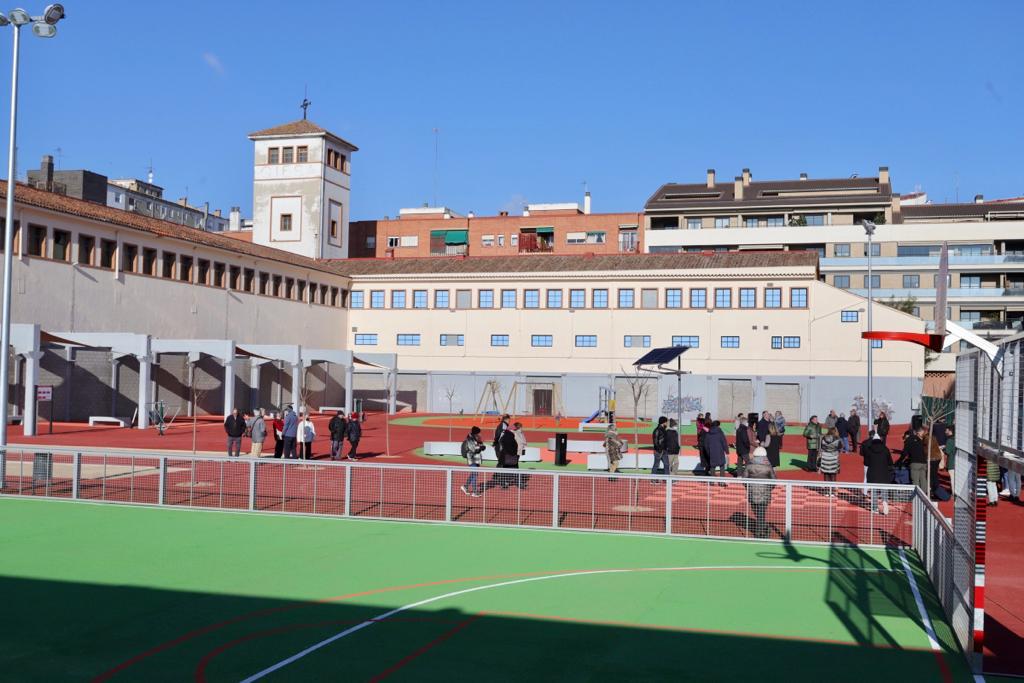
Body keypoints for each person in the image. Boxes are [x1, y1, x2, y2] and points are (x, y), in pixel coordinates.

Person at [744, 446, 776, 538]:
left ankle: (760, 531)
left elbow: (744, 480)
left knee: (758, 513)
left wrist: (749, 488)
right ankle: (762, 530)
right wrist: (769, 489)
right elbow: (774, 480)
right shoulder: (768, 466)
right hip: (765, 493)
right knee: (761, 513)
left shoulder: (749, 465)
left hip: (752, 493)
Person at [863, 432, 894, 515]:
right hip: (884, 473)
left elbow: (866, 463)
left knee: (874, 491)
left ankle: (874, 508)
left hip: (873, 473)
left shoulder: (869, 449)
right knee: (884, 490)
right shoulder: (885, 449)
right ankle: (885, 503)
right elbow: (890, 462)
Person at [460, 426, 486, 497]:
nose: (479, 434)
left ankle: (465, 486)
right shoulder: (469, 439)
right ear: (475, 432)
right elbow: (473, 449)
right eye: (478, 432)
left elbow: (481, 445)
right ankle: (474, 492)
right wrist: (480, 448)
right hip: (471, 459)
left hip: (477, 459)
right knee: (474, 474)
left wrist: (482, 446)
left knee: (473, 474)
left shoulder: (477, 438)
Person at [901, 425, 927, 493]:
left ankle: (917, 495)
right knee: (923, 479)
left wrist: (899, 461)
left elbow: (905, 452)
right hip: (924, 462)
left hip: (915, 462)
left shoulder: (910, 439)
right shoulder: (924, 439)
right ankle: (924, 495)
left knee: (915, 480)